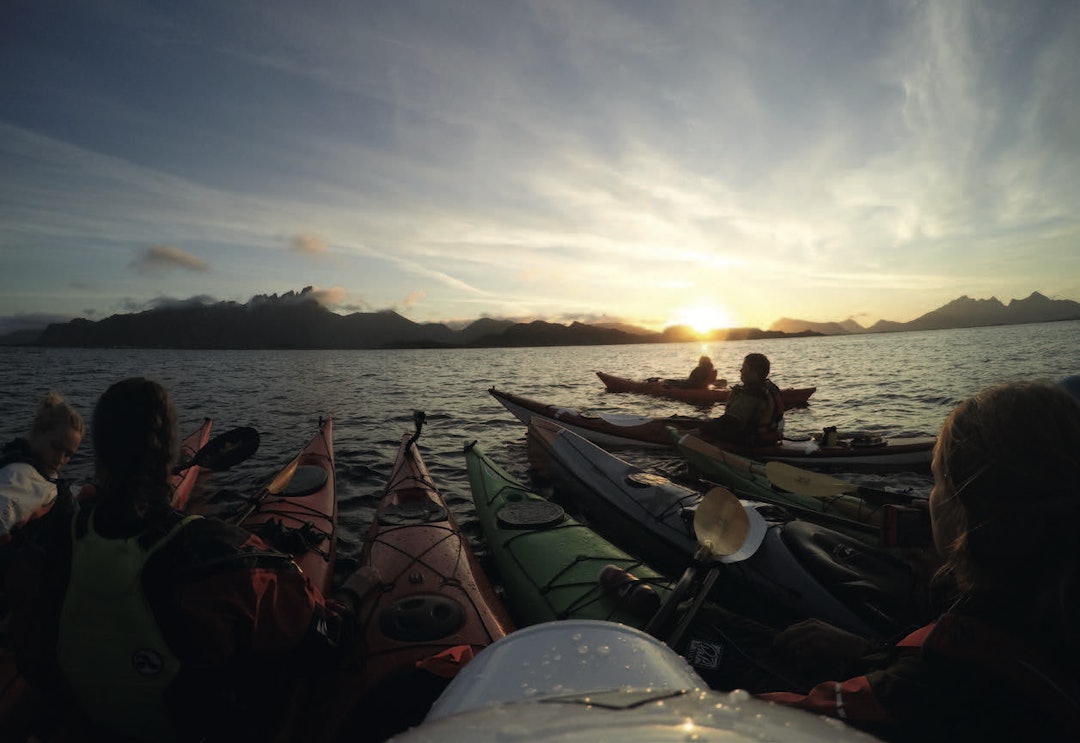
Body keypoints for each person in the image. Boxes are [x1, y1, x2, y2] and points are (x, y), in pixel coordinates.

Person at [0, 377, 373, 742]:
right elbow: (327, 640)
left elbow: (34, 659)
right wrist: (356, 590)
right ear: (168, 456)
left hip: (95, 721)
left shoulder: (45, 550)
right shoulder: (218, 557)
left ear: (99, 456)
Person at [752, 381, 1080, 742]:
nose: (928, 501)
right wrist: (871, 653)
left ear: (964, 513)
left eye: (936, 482)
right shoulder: (1050, 603)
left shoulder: (942, 681)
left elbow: (765, 722)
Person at [0, 391, 84, 538]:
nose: (60, 458)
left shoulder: (41, 471)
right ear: (39, 432)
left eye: (68, 455)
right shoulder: (21, 474)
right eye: (56, 447)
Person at [697, 352, 784, 445]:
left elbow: (730, 421)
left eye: (744, 367)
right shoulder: (772, 387)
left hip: (752, 440)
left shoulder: (753, 393)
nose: (741, 370)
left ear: (753, 372)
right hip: (767, 436)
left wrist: (700, 429)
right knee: (700, 423)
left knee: (706, 429)